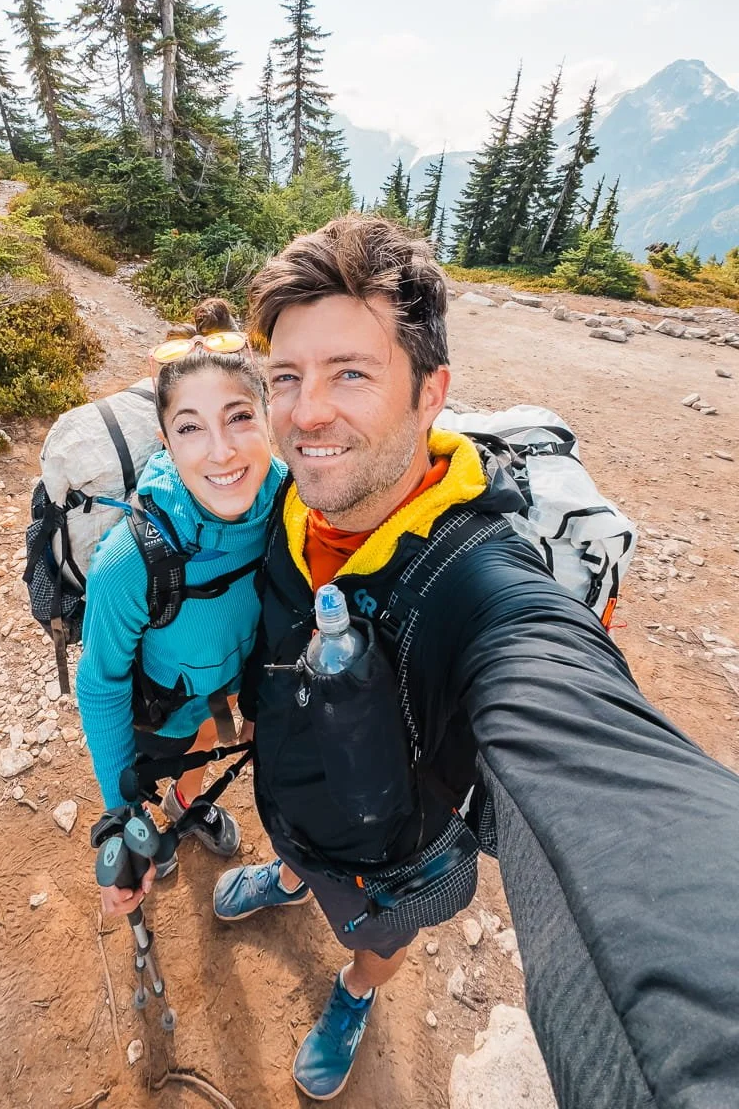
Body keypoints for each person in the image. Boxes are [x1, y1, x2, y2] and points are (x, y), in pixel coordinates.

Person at [213, 215, 739, 1105]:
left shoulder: (481, 575)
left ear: (430, 394)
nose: (305, 414)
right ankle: (291, 874)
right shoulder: (291, 506)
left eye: (351, 374)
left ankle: (352, 996)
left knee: (376, 940)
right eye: (286, 379)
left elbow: (583, 734)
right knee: (299, 842)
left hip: (401, 850)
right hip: (299, 792)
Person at [76, 299, 285, 920]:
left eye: (239, 416)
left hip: (221, 691)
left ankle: (183, 812)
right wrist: (122, 813)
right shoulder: (129, 561)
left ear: (269, 418)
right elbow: (101, 683)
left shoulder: (291, 504)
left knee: (200, 740)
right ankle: (155, 824)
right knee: (174, 744)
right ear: (166, 441)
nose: (221, 452)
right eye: (191, 427)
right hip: (156, 706)